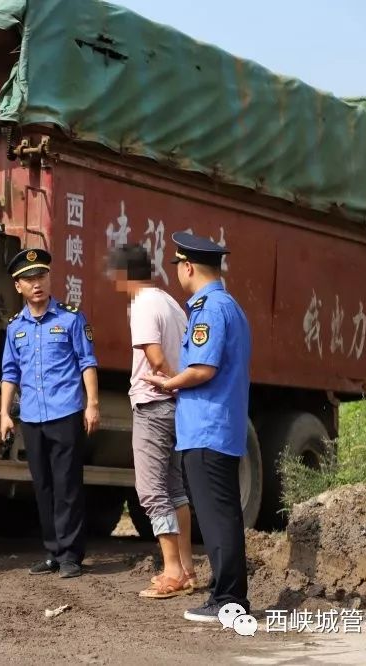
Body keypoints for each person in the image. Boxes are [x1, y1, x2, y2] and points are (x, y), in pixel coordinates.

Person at [142, 232, 252, 622]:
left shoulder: (208, 308)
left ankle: (227, 600)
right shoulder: (230, 306)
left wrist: (169, 382)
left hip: (207, 428)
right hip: (219, 426)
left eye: (179, 267)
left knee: (218, 516)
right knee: (224, 514)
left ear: (188, 267)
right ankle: (231, 595)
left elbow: (204, 368)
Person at [0, 248, 100, 579]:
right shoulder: (16, 328)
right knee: (42, 486)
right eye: (29, 279)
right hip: (31, 416)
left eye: (41, 276)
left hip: (66, 412)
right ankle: (53, 551)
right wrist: (4, 414)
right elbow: (10, 372)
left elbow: (87, 362)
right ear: (18, 287)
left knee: (67, 484)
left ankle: (72, 554)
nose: (36, 284)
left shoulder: (70, 318)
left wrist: (93, 404)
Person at [107, 244, 195, 599]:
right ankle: (187, 569)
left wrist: (171, 382)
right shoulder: (171, 303)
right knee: (175, 489)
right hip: (175, 407)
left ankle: (172, 571)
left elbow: (155, 358)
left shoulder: (142, 304)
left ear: (123, 275)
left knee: (151, 491)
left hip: (154, 404)